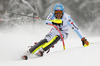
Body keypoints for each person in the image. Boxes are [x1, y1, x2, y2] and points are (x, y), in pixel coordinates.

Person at [22, 3, 89, 60]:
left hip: (64, 33)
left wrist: (83, 39)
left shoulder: (67, 18)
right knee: (45, 40)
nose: (58, 14)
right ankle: (28, 52)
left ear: (62, 12)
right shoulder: (52, 14)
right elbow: (46, 21)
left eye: (60, 12)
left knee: (57, 38)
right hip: (55, 30)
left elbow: (76, 28)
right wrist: (54, 22)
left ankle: (42, 50)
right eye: (56, 12)